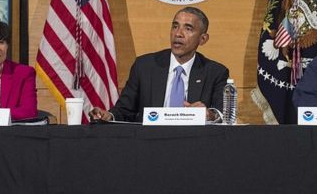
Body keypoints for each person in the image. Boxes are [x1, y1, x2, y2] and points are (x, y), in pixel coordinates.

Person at [89, 7, 229, 122]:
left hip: (193, 144)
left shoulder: (215, 72)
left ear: (203, 39)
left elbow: (221, 114)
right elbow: (124, 110)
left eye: (188, 28)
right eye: (175, 26)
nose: (178, 34)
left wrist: (209, 115)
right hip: (149, 143)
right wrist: (108, 116)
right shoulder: (144, 66)